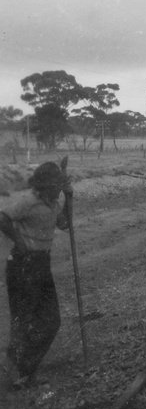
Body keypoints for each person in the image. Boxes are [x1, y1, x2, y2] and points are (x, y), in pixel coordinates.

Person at [0, 161, 72, 389]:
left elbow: (64, 224)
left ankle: (22, 367)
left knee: (52, 320)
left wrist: (69, 197)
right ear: (46, 184)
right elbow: (3, 217)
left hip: (42, 264)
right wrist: (20, 243)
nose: (60, 188)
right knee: (23, 320)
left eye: (61, 185)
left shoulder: (52, 203)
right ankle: (17, 374)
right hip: (22, 265)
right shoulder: (29, 201)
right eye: (58, 185)